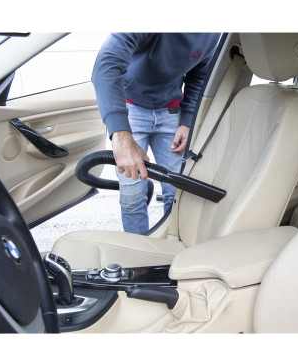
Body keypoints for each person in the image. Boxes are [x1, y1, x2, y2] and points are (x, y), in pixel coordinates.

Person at [92, 33, 221, 234]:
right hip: (131, 110)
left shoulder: (211, 34)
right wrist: (121, 135)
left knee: (177, 193)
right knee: (132, 195)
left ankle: (173, 243)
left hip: (172, 112)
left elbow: (199, 78)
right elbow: (106, 67)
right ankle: (138, 251)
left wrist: (187, 122)